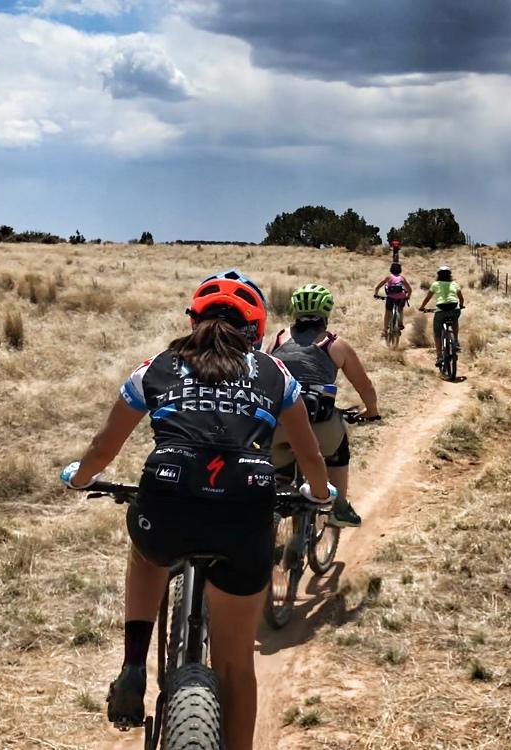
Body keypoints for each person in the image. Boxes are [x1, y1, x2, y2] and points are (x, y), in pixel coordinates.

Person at [59, 274, 335, 750]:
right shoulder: (275, 373)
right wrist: (320, 494)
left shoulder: (156, 367)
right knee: (234, 668)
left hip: (167, 504)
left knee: (146, 554)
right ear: (255, 328)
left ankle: (131, 667)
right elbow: (310, 457)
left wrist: (81, 478)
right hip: (244, 513)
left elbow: (104, 445)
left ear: (193, 321)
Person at [267, 283, 379, 528]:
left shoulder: (276, 340)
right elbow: (364, 386)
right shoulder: (335, 344)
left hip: (278, 423)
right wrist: (371, 412)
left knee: (275, 471)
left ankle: (271, 507)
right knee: (339, 451)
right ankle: (339, 509)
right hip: (319, 423)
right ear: (325, 314)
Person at [417, 265, 465, 366]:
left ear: (438, 275)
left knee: (437, 332)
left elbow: (427, 298)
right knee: (455, 319)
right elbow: (461, 298)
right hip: (454, 307)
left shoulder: (435, 284)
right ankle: (455, 341)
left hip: (441, 309)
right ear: (449, 275)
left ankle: (439, 356)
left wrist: (422, 307)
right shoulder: (454, 284)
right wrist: (460, 306)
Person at [374, 262, 411, 338]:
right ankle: (400, 323)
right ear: (400, 270)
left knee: (388, 312)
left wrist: (376, 294)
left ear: (391, 269)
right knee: (400, 309)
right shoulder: (402, 278)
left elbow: (378, 286)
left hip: (391, 298)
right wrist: (408, 296)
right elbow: (409, 289)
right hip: (401, 297)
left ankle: (384, 330)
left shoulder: (389, 277)